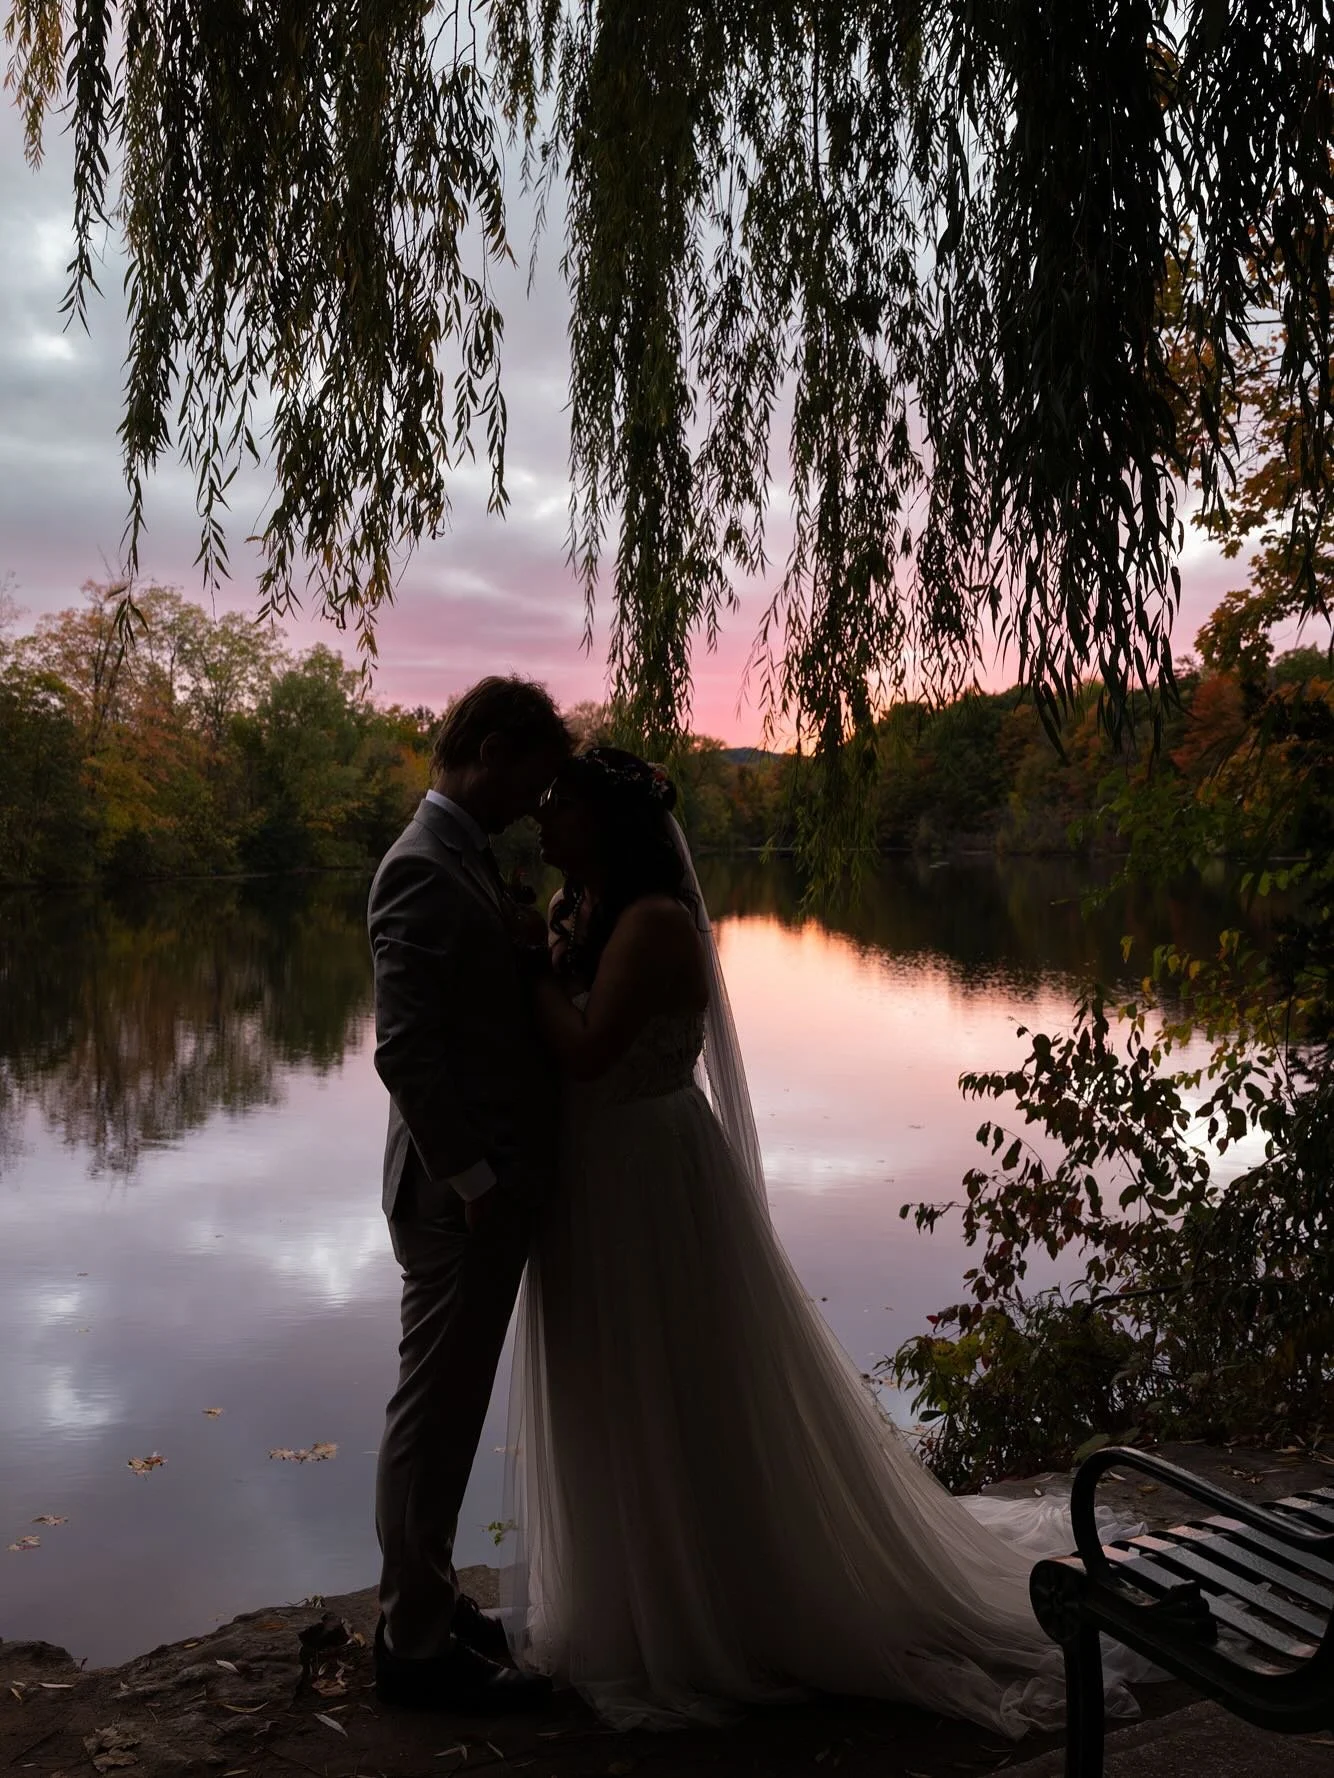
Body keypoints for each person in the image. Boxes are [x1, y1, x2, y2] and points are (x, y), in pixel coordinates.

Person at [499, 746, 1147, 1735]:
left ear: (610, 826)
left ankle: (715, 1604)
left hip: (645, 1173)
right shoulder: (578, 910)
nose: (543, 819)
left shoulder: (656, 921)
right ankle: (630, 1596)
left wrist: (522, 968)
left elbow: (588, 1050)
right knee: (608, 1379)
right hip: (592, 1174)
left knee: (673, 1376)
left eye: (562, 805)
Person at [367, 676, 572, 1713]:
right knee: (434, 1412)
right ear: (490, 751)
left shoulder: (463, 857)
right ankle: (411, 1646)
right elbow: (404, 1049)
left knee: (448, 1408)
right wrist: (477, 1179)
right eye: (530, 782)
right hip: (458, 1196)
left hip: (480, 1187)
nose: (533, 806)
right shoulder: (418, 866)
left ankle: (432, 1601)